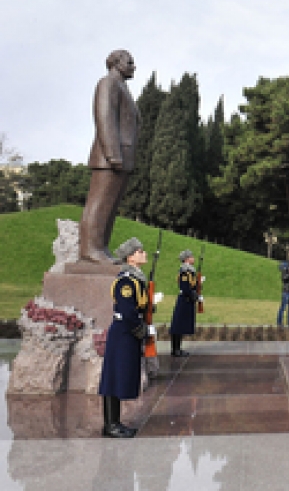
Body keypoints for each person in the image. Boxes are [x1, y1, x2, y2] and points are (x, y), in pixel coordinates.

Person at [79, 50, 141, 264]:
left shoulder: (122, 87)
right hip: (110, 157)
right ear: (116, 63)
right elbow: (104, 118)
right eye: (130, 62)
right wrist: (113, 154)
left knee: (110, 206)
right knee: (99, 203)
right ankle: (89, 249)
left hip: (122, 157)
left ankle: (101, 247)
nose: (134, 66)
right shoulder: (108, 83)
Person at [98, 237, 149, 438]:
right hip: (123, 333)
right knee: (114, 378)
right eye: (140, 251)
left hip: (127, 333)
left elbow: (136, 306)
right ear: (130, 257)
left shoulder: (135, 279)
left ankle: (114, 422)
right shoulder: (126, 281)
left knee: (118, 377)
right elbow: (127, 310)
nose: (144, 254)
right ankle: (111, 425)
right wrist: (140, 329)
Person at [169, 249, 198, 357]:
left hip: (187, 300)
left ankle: (177, 348)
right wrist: (193, 294)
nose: (193, 258)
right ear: (187, 259)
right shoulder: (185, 271)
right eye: (191, 256)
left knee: (180, 326)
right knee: (178, 325)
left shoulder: (190, 271)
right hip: (184, 300)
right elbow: (185, 287)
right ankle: (175, 349)